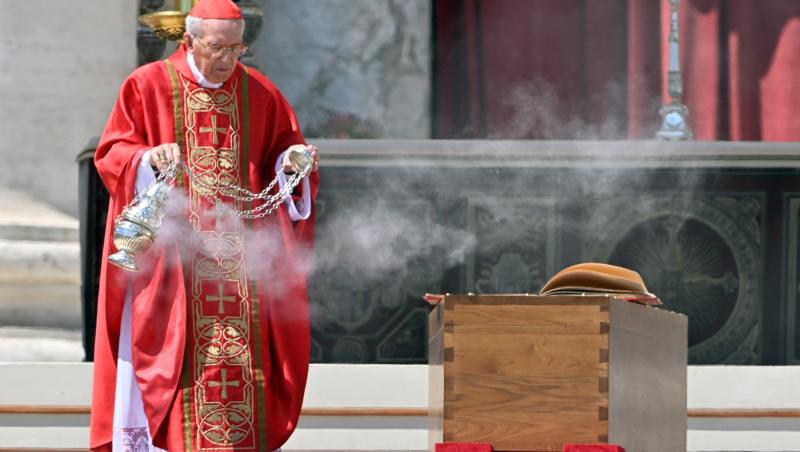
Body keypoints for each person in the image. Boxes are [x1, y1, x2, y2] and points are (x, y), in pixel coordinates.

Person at [90, 0, 320, 450]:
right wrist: (145, 158)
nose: (228, 60)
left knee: (238, 382)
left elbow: (286, 152)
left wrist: (293, 163)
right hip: (171, 269)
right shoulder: (147, 85)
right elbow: (112, 153)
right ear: (188, 40)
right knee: (169, 376)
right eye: (217, 48)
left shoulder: (260, 92)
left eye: (238, 49)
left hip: (241, 273)